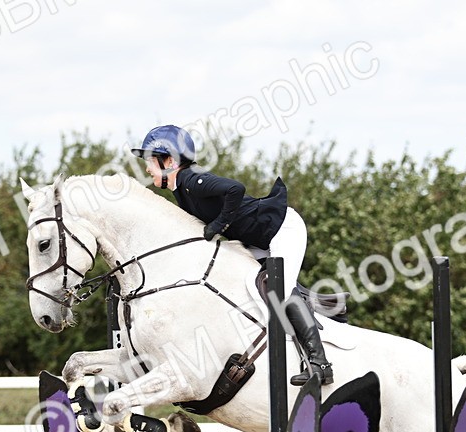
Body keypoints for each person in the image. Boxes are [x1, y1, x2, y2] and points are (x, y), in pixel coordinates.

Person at [131, 124, 333, 386]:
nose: (147, 168)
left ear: (169, 161)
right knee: (252, 288)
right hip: (258, 240)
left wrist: (219, 226)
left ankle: (321, 364)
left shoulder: (191, 180)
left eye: (150, 161)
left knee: (278, 288)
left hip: (281, 228)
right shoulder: (182, 191)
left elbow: (235, 189)